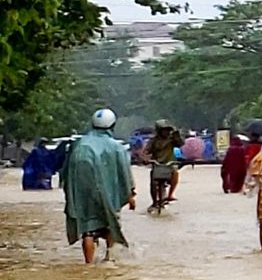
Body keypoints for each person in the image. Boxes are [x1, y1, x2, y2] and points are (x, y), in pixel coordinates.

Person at [60, 108, 135, 264]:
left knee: (87, 229)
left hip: (83, 195)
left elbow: (65, 171)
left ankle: (88, 265)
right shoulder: (116, 147)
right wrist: (130, 194)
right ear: (112, 125)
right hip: (109, 194)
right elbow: (124, 173)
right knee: (109, 223)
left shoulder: (79, 144)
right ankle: (109, 258)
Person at [145, 120, 182, 208]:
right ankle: (154, 201)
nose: (167, 132)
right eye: (164, 130)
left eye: (168, 130)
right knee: (153, 183)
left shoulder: (172, 140)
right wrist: (145, 159)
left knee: (175, 172)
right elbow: (146, 151)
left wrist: (176, 134)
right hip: (157, 164)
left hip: (169, 164)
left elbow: (181, 143)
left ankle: (170, 194)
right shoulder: (153, 140)